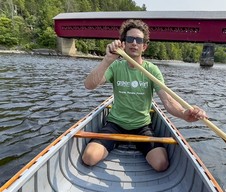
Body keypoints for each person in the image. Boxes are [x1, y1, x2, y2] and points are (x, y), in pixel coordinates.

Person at [82, 19, 208, 172]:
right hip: (115, 123)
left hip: (141, 126)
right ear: (123, 43)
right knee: (89, 157)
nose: (134, 43)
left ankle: (132, 145)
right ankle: (114, 143)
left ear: (144, 46)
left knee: (161, 163)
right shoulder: (115, 66)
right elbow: (89, 85)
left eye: (139, 40)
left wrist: (184, 114)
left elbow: (168, 101)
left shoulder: (152, 71)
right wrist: (107, 60)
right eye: (130, 39)